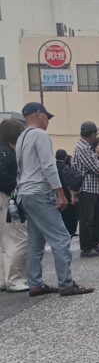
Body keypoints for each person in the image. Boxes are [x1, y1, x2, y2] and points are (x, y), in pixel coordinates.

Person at [15, 103, 93, 297]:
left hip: (25, 193)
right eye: (47, 117)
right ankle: (66, 283)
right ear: (38, 114)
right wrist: (60, 193)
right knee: (61, 237)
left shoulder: (21, 138)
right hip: (40, 192)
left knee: (35, 241)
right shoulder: (40, 135)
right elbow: (48, 165)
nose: (48, 121)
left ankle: (35, 284)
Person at [73, 121, 99, 258]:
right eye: (95, 134)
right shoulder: (82, 147)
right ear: (92, 134)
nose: (96, 136)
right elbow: (93, 166)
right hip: (86, 187)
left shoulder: (88, 147)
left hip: (95, 188)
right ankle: (86, 247)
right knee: (87, 219)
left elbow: (95, 163)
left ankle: (94, 243)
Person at [0, 117, 28, 292]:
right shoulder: (8, 153)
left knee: (3, 241)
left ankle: (3, 278)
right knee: (19, 238)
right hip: (6, 197)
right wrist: (14, 188)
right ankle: (15, 279)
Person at [54, 151, 80, 237]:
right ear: (65, 157)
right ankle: (70, 231)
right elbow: (70, 184)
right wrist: (73, 196)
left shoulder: (53, 167)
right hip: (66, 193)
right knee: (70, 214)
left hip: (55, 193)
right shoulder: (66, 168)